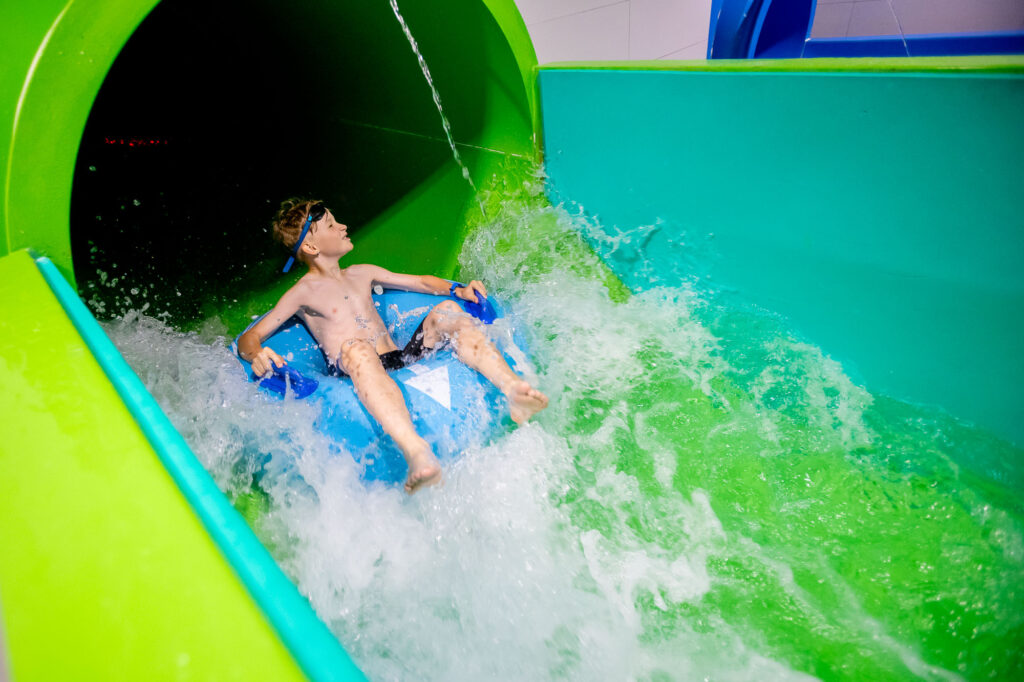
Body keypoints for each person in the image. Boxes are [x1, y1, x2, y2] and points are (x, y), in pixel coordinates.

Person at [238, 198, 549, 494]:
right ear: (310, 247)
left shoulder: (362, 273)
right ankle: (417, 452)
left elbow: (421, 283)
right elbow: (249, 338)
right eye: (332, 225)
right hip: (355, 370)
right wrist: (258, 355)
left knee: (447, 312)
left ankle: (513, 390)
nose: (343, 226)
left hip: (399, 358)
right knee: (356, 347)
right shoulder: (302, 293)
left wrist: (459, 290)